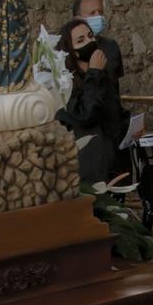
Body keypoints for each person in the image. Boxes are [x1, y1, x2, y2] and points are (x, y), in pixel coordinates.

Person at [55, 19, 126, 184]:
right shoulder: (66, 84)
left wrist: (129, 124)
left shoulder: (102, 74)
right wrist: (94, 72)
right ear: (72, 51)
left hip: (113, 163)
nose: (89, 42)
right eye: (81, 40)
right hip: (90, 168)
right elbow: (86, 115)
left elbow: (111, 111)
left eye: (90, 36)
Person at [73, 0, 124, 82]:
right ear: (78, 19)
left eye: (100, 12)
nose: (98, 17)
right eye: (92, 13)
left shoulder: (111, 45)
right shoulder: (67, 49)